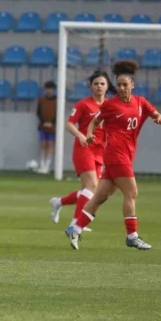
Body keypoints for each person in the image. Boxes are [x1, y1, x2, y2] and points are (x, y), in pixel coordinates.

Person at [66, 61, 161, 251]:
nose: (121, 88)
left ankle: (75, 228)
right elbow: (94, 123)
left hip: (127, 155)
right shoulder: (111, 105)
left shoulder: (140, 102)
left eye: (124, 84)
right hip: (115, 154)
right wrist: (88, 136)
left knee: (100, 196)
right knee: (132, 192)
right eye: (118, 85)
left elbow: (154, 113)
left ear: (132, 85)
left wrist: (158, 118)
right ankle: (132, 236)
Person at [50, 71, 112, 228]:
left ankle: (59, 202)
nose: (99, 86)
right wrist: (80, 136)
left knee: (89, 190)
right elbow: (69, 123)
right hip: (84, 148)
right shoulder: (83, 104)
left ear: (107, 86)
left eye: (102, 83)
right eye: (96, 83)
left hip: (100, 151)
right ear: (91, 86)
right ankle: (76, 223)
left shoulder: (111, 107)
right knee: (92, 186)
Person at [35, 81, 57, 174]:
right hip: (43, 125)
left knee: (50, 144)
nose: (49, 91)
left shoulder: (57, 101)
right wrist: (44, 122)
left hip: (53, 126)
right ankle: (42, 164)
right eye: (48, 89)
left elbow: (58, 113)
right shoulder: (42, 100)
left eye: (51, 89)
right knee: (43, 144)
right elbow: (38, 112)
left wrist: (52, 122)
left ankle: (48, 165)